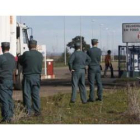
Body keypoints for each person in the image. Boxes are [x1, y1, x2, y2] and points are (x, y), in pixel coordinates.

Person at [19, 40, 43, 116]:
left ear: (28, 46)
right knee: (35, 94)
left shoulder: (26, 54)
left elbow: (20, 61)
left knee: (27, 94)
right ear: (35, 46)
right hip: (37, 77)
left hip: (28, 76)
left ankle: (28, 111)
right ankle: (37, 110)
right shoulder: (40, 55)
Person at [0, 42, 16, 123]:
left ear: (1, 48)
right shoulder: (12, 57)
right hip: (10, 80)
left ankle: (6, 117)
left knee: (4, 99)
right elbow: (14, 70)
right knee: (9, 98)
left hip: (3, 81)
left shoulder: (1, 58)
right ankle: (11, 115)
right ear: (9, 48)